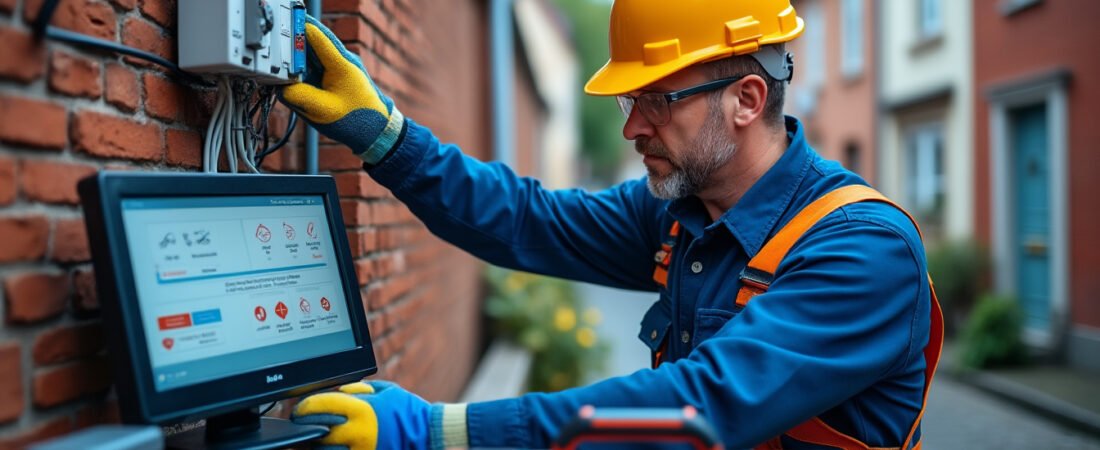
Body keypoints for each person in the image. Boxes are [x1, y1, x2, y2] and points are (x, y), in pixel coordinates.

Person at [278, 1, 943, 449]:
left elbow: (697, 405)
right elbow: (528, 219)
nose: (631, 128)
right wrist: (386, 138)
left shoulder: (863, 250)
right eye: (631, 100)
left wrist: (442, 431)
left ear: (747, 100)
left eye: (657, 100)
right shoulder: (680, 213)